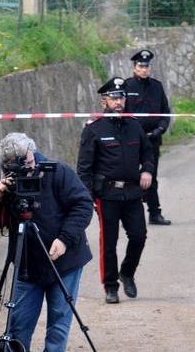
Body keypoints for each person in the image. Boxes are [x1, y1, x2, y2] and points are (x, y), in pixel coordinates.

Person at [0, 132, 93, 351]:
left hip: (64, 261)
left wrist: (64, 239)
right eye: (20, 166)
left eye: (30, 162)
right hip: (27, 263)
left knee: (58, 324)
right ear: (7, 165)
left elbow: (83, 204)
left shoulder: (57, 171)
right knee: (19, 324)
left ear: (33, 152)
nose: (29, 169)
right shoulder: (3, 182)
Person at [77, 77, 156, 304]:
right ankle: (110, 286)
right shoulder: (94, 129)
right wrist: (88, 197)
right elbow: (84, 168)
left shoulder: (134, 125)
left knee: (139, 236)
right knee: (109, 242)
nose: (118, 102)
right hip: (107, 195)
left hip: (132, 193)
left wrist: (147, 171)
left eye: (121, 97)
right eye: (113, 98)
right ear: (104, 102)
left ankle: (127, 273)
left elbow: (148, 153)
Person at [124, 49, 172, 226]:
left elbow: (165, 113)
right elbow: (121, 113)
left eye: (147, 66)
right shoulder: (127, 87)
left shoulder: (157, 87)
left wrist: (161, 128)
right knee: (129, 177)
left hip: (152, 139)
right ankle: (129, 215)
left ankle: (154, 213)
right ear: (134, 67)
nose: (144, 69)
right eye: (141, 66)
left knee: (151, 177)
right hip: (131, 141)